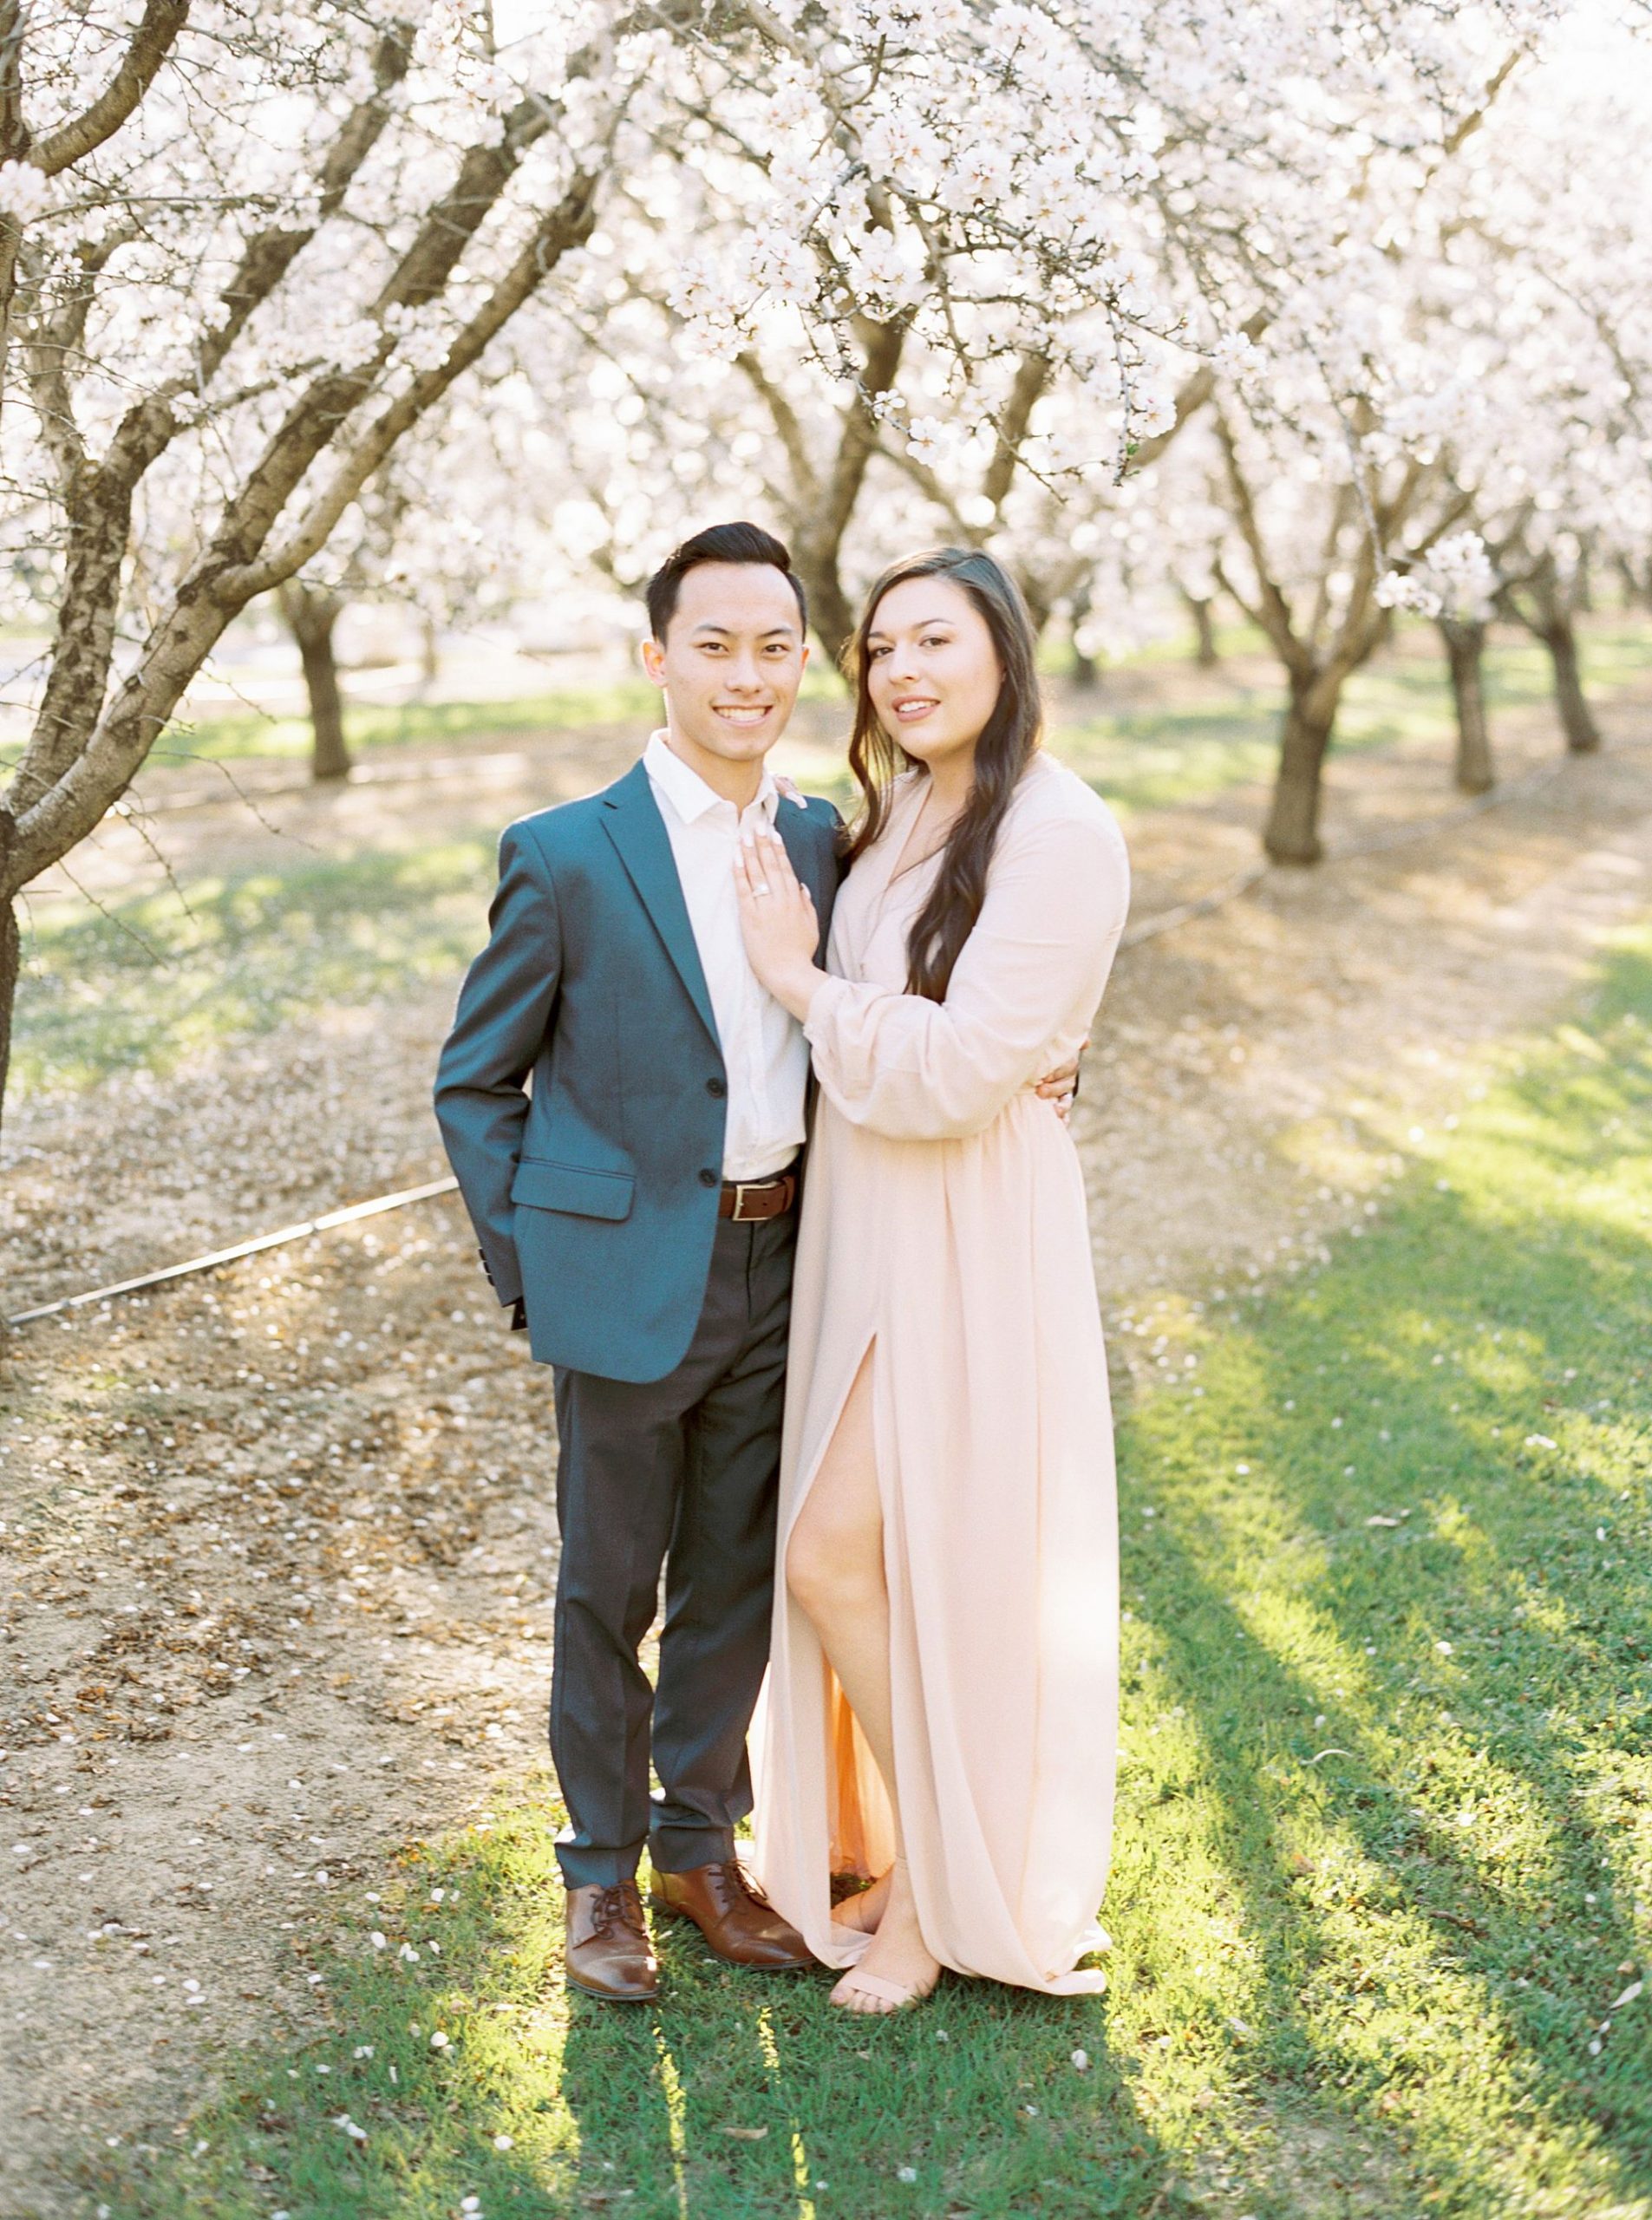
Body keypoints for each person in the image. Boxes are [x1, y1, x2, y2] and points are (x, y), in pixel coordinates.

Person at [433, 523, 840, 2001]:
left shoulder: (818, 837)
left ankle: (699, 1854)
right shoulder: (564, 855)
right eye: (716, 646)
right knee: (607, 1587)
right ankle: (597, 1882)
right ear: (656, 659)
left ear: (805, 658)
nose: (748, 675)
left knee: (735, 1578)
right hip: (621, 1282)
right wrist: (533, 1266)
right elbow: (475, 1082)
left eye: (775, 646)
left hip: (781, 1265)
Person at [735, 546, 1131, 2013]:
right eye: (879, 650)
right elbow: (935, 1036)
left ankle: (935, 1899)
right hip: (866, 1208)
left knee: (840, 1553)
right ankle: (896, 1850)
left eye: (934, 641)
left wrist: (800, 982)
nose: (901, 671)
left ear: (1004, 652)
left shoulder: (1058, 829)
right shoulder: (897, 811)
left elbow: (967, 1072)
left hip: (968, 1219)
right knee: (877, 1559)